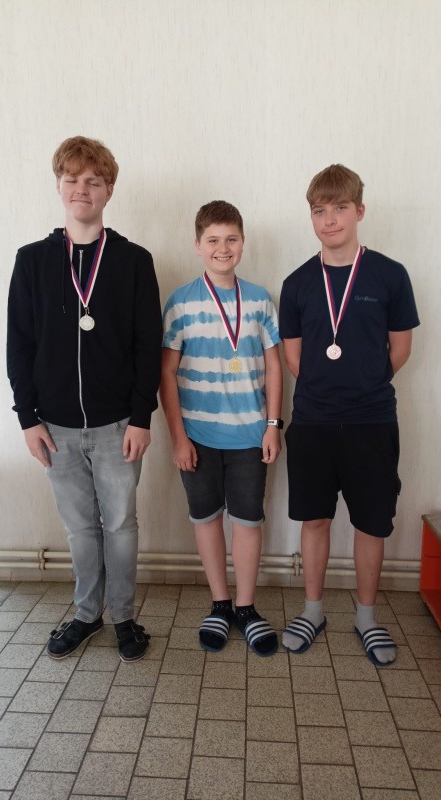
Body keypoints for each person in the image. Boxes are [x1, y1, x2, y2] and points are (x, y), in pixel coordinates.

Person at [7, 136, 163, 662]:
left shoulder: (134, 261)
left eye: (93, 181)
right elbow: (18, 344)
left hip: (119, 425)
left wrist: (141, 418)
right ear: (58, 186)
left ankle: (123, 617)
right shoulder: (32, 261)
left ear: (109, 190)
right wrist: (27, 419)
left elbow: (147, 346)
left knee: (119, 526)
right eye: (72, 179)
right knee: (79, 529)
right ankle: (86, 614)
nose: (82, 189)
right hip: (55, 428)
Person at [279, 164, 419, 666]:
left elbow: (400, 349)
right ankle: (312, 611)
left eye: (340, 208)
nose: (330, 219)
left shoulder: (389, 275)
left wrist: (363, 384)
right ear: (312, 217)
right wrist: (330, 388)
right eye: (320, 210)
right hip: (313, 423)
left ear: (360, 211)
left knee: (371, 524)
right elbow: (293, 358)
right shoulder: (297, 283)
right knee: (314, 519)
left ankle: (366, 618)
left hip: (372, 421)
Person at [161, 200, 283, 656]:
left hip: (251, 435)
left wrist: (273, 425)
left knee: (248, 521)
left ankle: (246, 608)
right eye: (212, 240)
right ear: (198, 245)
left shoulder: (260, 299)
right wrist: (178, 437)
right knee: (206, 518)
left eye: (231, 238)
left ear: (243, 243)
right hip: (197, 437)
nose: (222, 247)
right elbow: (165, 373)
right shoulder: (180, 302)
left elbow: (275, 367)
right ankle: (220, 604)